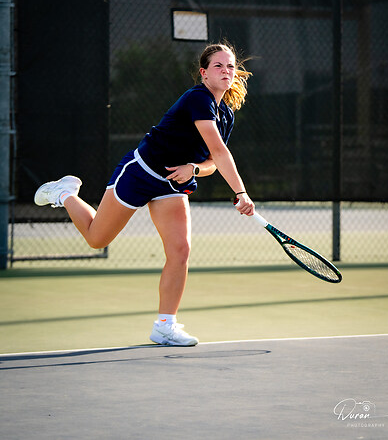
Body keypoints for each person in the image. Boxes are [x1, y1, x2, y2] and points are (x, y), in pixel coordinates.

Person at [34, 42, 255, 346]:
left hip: (171, 185)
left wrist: (193, 168)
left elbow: (212, 162)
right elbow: (219, 150)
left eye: (230, 66)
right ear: (204, 73)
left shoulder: (226, 114)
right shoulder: (198, 98)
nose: (226, 71)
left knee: (180, 251)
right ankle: (65, 194)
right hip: (141, 174)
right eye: (218, 65)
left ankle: (165, 326)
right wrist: (241, 192)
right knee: (97, 239)